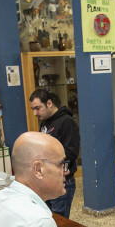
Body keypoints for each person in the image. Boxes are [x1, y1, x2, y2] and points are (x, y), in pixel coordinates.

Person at [29, 88, 80, 218]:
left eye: (38, 108)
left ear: (49, 103)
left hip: (61, 181)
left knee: (59, 223)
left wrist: (51, 162)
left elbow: (72, 151)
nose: (35, 113)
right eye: (33, 109)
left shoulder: (67, 122)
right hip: (46, 180)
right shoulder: (45, 121)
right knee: (48, 219)